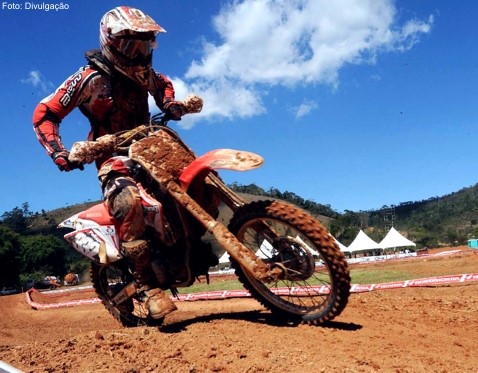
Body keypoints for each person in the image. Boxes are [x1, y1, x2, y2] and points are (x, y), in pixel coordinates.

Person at [32, 6, 189, 319]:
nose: (142, 52)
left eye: (147, 44)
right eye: (134, 45)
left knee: (189, 175)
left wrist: (169, 103)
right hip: (112, 156)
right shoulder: (88, 78)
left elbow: (163, 84)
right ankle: (146, 286)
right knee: (128, 201)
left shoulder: (145, 74)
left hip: (152, 144)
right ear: (113, 43)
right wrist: (59, 152)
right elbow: (46, 112)